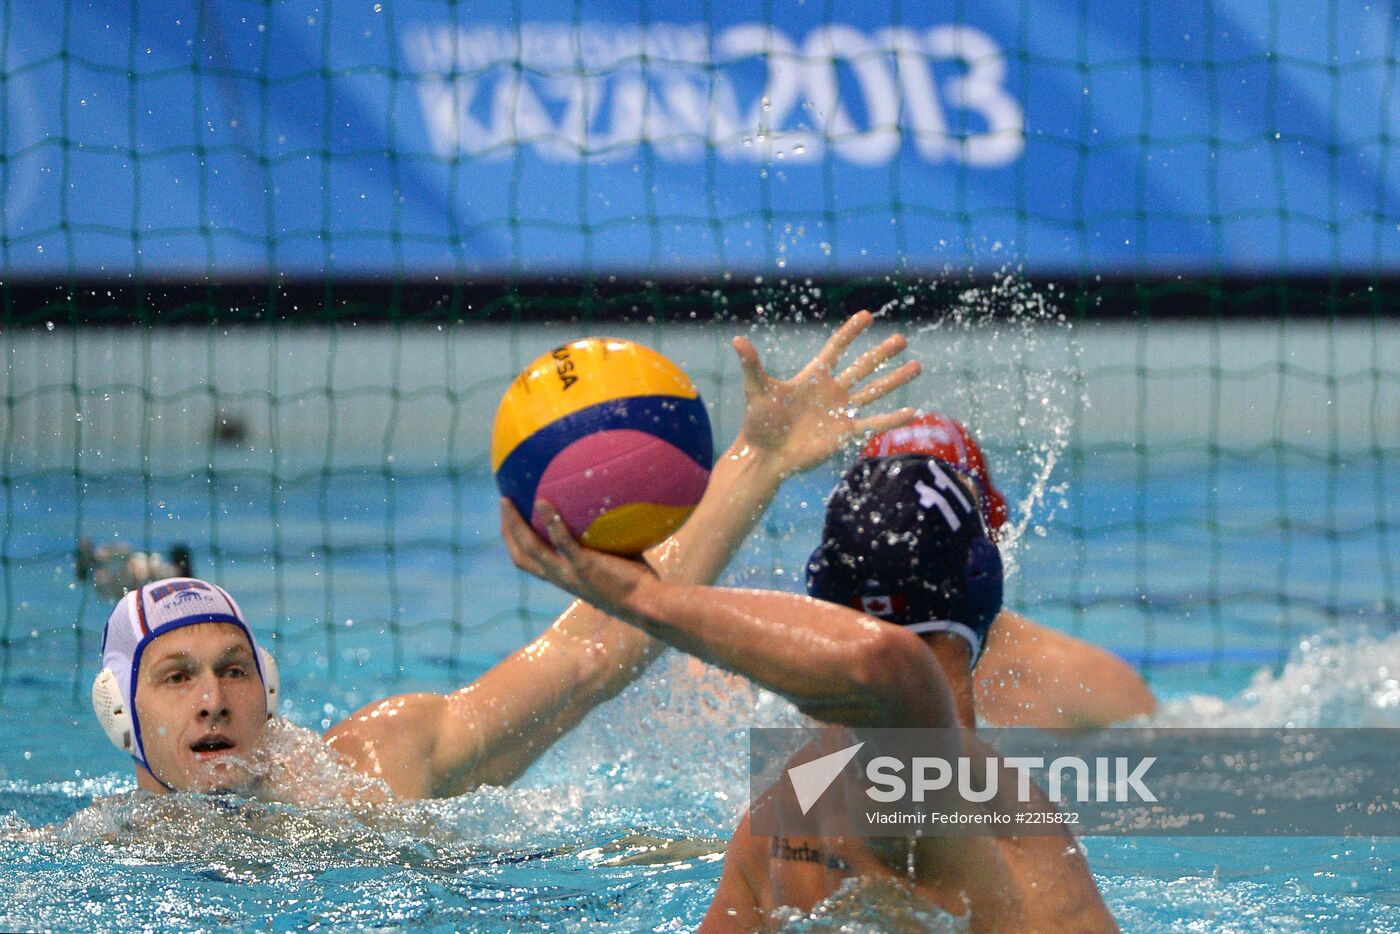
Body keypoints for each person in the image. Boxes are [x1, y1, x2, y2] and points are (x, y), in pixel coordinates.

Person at [90, 312, 924, 799]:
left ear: (267, 691)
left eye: (234, 670)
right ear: (121, 715)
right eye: (176, 676)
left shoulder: (376, 772)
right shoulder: (82, 866)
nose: (212, 700)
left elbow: (588, 656)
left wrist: (759, 459)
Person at [498, 454, 1119, 932]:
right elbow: (885, 665)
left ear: (819, 593)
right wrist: (641, 598)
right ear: (983, 587)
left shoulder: (776, 816)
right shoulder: (954, 787)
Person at [862, 412, 1156, 727]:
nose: (924, 539)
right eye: (900, 514)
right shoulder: (815, 670)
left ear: (994, 528)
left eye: (953, 510)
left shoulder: (1091, 689)